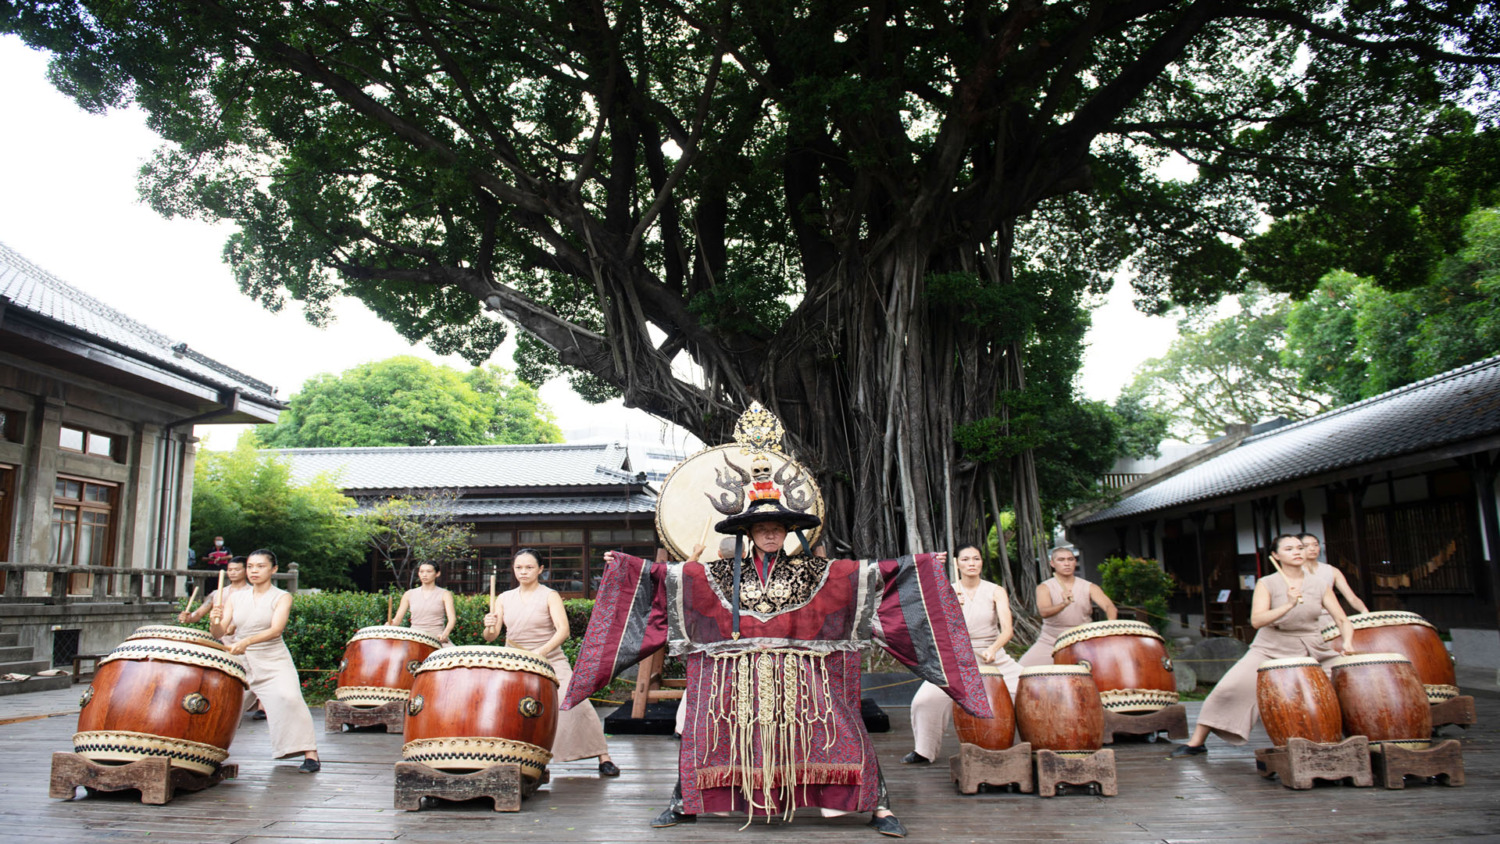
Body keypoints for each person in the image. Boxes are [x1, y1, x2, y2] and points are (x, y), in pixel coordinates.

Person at [561, 403, 986, 839]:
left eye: (777, 527)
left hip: (807, 674)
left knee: (840, 727)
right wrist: (625, 565)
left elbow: (869, 576)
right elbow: (670, 579)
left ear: (787, 532)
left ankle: (876, 805)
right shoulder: (718, 573)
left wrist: (922, 565)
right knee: (711, 732)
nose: (769, 533)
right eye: (761, 527)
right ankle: (686, 801)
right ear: (747, 532)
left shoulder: (816, 572)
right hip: (733, 673)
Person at [1169, 534, 1355, 757]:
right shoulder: (1267, 583)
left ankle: (1362, 739)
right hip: (1270, 646)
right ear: (1275, 555)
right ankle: (1197, 742)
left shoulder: (1319, 584)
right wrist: (1288, 604)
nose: (1297, 552)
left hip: (1313, 647)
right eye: (1289, 549)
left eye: (1299, 547)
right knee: (1229, 687)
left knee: (1353, 680)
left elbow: (1342, 620)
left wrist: (1348, 643)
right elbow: (1257, 620)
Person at [483, 549, 619, 777]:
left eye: (529, 567)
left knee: (573, 701)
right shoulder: (504, 598)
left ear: (540, 569)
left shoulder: (549, 595)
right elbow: (492, 636)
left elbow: (563, 631)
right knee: (510, 707)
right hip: (515, 660)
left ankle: (602, 756)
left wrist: (540, 652)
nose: (523, 572)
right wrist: (488, 625)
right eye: (519, 568)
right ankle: (521, 758)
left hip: (549, 658)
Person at [903, 543, 1023, 765]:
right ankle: (924, 751)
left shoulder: (996, 590)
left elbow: (1007, 630)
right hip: (956, 659)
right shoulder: (946, 591)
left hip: (992, 655)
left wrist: (994, 649)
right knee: (924, 701)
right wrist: (951, 607)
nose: (971, 564)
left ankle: (1033, 743)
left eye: (976, 559)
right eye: (966, 559)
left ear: (981, 563)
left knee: (1029, 689)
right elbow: (934, 629)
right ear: (956, 564)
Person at [210, 548, 320, 772]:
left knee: (290, 698)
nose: (254, 571)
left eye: (260, 566)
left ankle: (311, 754)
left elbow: (276, 630)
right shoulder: (235, 597)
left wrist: (246, 641)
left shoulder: (281, 597)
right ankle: (207, 751)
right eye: (250, 566)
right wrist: (214, 621)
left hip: (273, 657)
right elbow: (219, 632)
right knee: (224, 704)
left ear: (274, 569)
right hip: (241, 660)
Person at [1018, 547, 1118, 667]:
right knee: (1022, 669)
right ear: (1052, 563)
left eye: (1070, 559)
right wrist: (1063, 604)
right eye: (1061, 560)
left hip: (1083, 638)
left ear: (1075, 562)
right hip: (1051, 640)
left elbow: (1109, 607)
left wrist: (1111, 627)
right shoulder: (1044, 588)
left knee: (1110, 667)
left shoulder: (1090, 586)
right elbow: (1044, 612)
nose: (1066, 563)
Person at [1299, 533, 1369, 622]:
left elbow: (1351, 597)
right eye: (1306, 545)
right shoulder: (1293, 572)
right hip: (1304, 618)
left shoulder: (1332, 570)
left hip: (1328, 616)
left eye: (1315, 545)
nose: (1313, 548)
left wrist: (1364, 611)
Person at [393, 562, 457, 646]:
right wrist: (390, 624)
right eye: (421, 571)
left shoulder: (445, 594)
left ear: (437, 574)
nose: (424, 575)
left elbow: (452, 619)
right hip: (414, 637)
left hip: (436, 637)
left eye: (429, 571)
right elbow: (397, 620)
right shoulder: (409, 594)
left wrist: (445, 634)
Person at [180, 556, 249, 625]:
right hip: (219, 633)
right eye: (230, 570)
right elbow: (199, 613)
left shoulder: (252, 592)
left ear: (246, 571)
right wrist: (189, 617)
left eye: (237, 570)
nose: (232, 573)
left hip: (244, 634)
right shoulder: (217, 593)